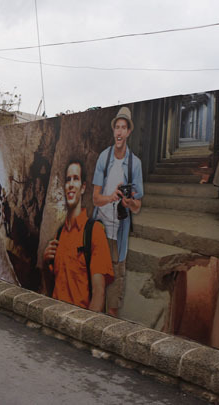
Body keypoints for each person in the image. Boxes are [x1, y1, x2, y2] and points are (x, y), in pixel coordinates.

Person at [92, 106, 144, 317]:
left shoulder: (135, 164)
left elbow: (138, 206)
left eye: (124, 127)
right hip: (100, 231)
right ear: (113, 130)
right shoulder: (104, 158)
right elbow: (95, 199)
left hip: (119, 235)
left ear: (129, 132)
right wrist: (110, 197)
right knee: (98, 290)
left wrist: (128, 202)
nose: (120, 132)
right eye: (117, 127)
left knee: (114, 301)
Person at [43, 159, 114, 311]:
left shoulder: (94, 232)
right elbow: (53, 286)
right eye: (68, 179)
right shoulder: (59, 234)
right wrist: (45, 263)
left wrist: (83, 330)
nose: (70, 184)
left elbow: (98, 293)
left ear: (82, 188)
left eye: (75, 178)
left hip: (76, 324)